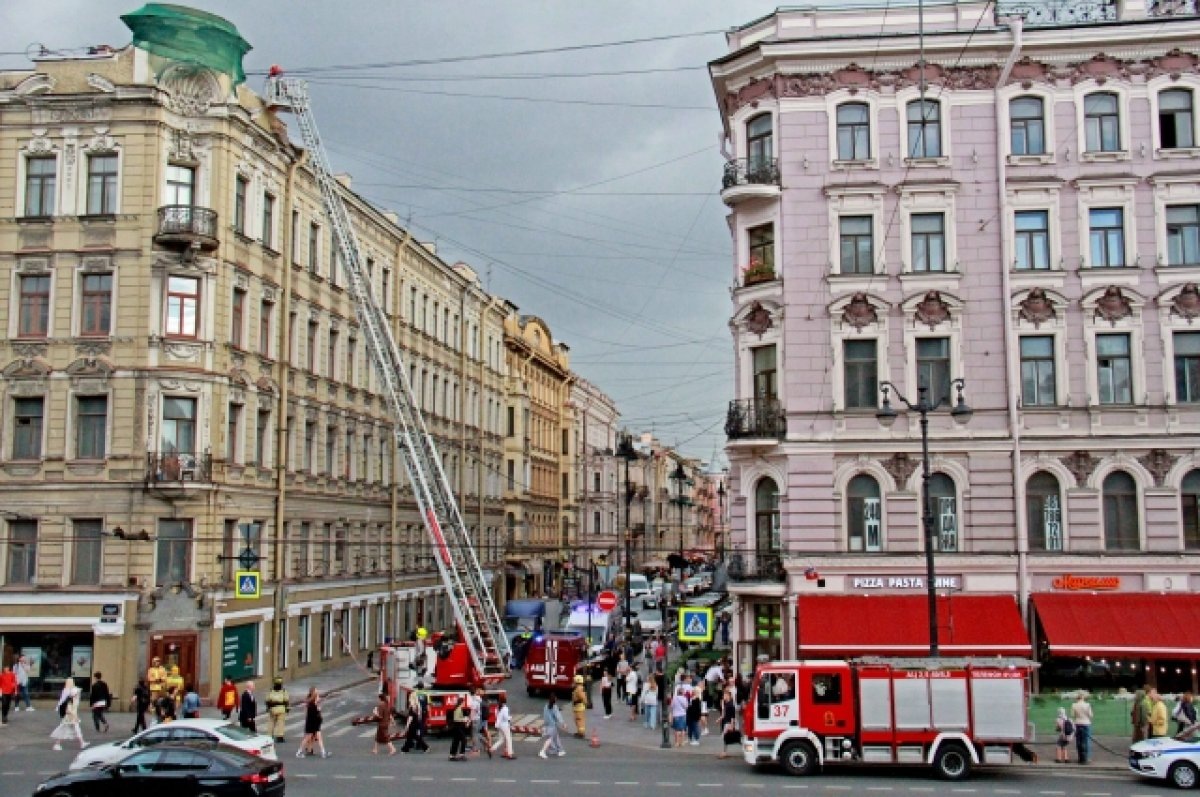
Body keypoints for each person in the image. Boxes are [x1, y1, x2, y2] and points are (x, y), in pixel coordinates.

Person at [51, 678, 87, 751]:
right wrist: (74, 716)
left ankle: (57, 744)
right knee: (73, 728)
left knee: (66, 729)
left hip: (70, 716)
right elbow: (68, 710)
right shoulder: (71, 700)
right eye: (77, 693)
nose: (79, 695)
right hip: (70, 716)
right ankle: (81, 742)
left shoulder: (71, 698)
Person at [298, 687, 330, 759]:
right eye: (317, 693)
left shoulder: (311, 703)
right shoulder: (313, 704)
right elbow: (316, 714)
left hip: (313, 723)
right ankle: (300, 752)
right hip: (313, 723)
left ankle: (323, 752)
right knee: (308, 738)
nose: (318, 695)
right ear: (314, 695)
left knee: (318, 737)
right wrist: (319, 710)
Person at [1070, 691, 1093, 764]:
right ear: (1083, 697)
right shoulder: (1087, 705)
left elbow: (1072, 715)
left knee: (1079, 741)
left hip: (1077, 723)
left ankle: (1080, 757)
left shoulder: (1074, 705)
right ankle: (1086, 758)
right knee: (1086, 741)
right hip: (1086, 723)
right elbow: (1091, 715)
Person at [265, 677, 290, 742]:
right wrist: (287, 709)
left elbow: (267, 700)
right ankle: (280, 736)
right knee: (281, 723)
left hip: (273, 709)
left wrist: (268, 708)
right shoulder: (284, 691)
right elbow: (286, 701)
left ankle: (269, 735)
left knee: (271, 722)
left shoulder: (270, 691)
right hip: (281, 709)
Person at [491, 693, 514, 759]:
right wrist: (511, 717)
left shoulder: (497, 708)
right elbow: (506, 717)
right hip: (505, 725)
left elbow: (496, 716)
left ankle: (492, 749)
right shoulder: (505, 708)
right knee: (508, 739)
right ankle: (509, 754)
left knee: (501, 739)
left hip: (499, 725)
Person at [719, 687, 739, 758]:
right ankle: (724, 751)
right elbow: (724, 713)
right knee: (726, 737)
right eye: (723, 695)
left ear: (729, 696)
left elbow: (732, 716)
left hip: (728, 723)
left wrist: (731, 725)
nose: (723, 697)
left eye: (725, 695)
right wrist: (720, 719)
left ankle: (724, 752)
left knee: (726, 737)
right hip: (726, 722)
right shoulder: (727, 704)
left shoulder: (730, 705)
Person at [448, 695, 470, 761]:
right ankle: (461, 754)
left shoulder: (457, 708)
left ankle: (452, 755)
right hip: (458, 726)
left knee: (456, 741)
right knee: (464, 739)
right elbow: (456, 719)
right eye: (463, 702)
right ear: (461, 702)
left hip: (456, 726)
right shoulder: (458, 709)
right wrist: (465, 719)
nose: (464, 704)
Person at [473, 687, 493, 758]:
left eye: (479, 690)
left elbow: (477, 709)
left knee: (477, 733)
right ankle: (488, 746)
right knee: (484, 731)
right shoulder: (484, 699)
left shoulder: (481, 700)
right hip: (484, 718)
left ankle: (485, 745)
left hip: (481, 718)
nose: (477, 691)